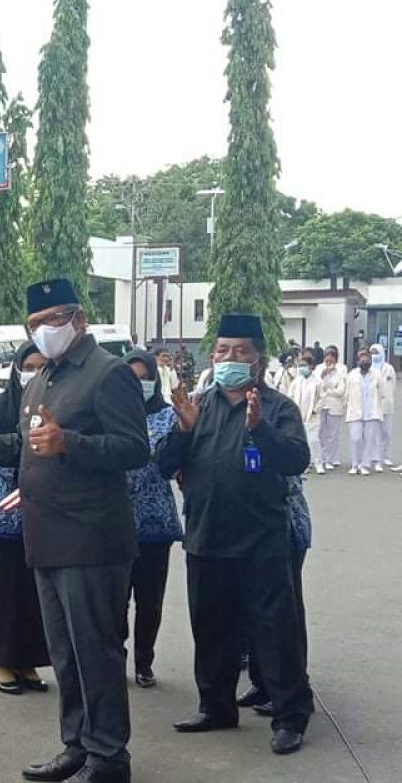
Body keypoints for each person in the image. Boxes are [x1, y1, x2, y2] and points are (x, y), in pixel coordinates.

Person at [0, 279, 148, 783]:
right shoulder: (41, 377)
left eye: (54, 319)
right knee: (66, 654)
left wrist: (68, 441)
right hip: (46, 536)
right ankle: (77, 744)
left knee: (95, 651)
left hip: (91, 539)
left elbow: (134, 448)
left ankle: (109, 756)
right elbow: (20, 446)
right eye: (35, 323)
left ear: (79, 319)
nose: (45, 330)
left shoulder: (107, 373)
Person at [159, 313, 313, 756]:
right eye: (223, 350)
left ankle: (289, 716)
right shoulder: (198, 405)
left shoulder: (277, 406)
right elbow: (163, 466)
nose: (230, 358)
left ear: (257, 359)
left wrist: (259, 428)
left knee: (274, 632)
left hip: (263, 541)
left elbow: (295, 460)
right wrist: (183, 431)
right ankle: (215, 706)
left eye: (241, 351)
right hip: (206, 537)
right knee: (210, 628)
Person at [0, 342, 51, 696]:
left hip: (42, 517)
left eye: (42, 366)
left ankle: (29, 660)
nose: (35, 373)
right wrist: (29, 469)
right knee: (2, 593)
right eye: (29, 366)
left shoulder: (52, 409)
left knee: (35, 595)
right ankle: (1, 661)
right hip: (1, 517)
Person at [122, 351, 183, 690]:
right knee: (116, 599)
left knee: (150, 600)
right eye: (130, 378)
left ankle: (144, 661)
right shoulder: (111, 414)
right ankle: (115, 658)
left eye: (144, 378)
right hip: (116, 521)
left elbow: (172, 460)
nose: (138, 384)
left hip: (156, 522)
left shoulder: (168, 416)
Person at [238, 475, 313, 718]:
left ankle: (297, 684)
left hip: (284, 527)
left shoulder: (275, 435)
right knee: (253, 611)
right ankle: (263, 683)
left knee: (285, 613)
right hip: (251, 530)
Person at [344, 349, 384, 475]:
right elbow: (346, 394)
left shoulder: (377, 374)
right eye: (362, 360)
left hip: (371, 412)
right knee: (356, 438)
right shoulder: (351, 375)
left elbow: (382, 392)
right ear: (358, 361)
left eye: (367, 360)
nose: (365, 362)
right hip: (355, 411)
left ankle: (365, 465)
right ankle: (355, 464)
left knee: (369, 440)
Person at [288, 352, 324, 475]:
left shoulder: (318, 381)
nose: (301, 367)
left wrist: (315, 409)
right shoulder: (296, 381)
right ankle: (307, 463)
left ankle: (318, 463)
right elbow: (290, 396)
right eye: (300, 365)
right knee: (303, 441)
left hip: (312, 415)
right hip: (299, 414)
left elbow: (322, 398)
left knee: (314, 440)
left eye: (304, 365)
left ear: (311, 366)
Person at [317, 346, 347, 470]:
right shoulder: (319, 368)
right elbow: (317, 386)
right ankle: (321, 457)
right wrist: (323, 374)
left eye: (332, 356)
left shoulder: (341, 369)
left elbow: (341, 390)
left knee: (333, 433)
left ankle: (330, 459)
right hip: (321, 405)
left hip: (335, 405)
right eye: (327, 356)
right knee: (321, 432)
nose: (329, 358)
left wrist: (328, 390)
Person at [369, 344, 396, 467]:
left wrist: (388, 398)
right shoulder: (368, 369)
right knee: (374, 433)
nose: (374, 355)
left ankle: (384, 456)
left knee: (387, 432)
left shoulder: (389, 368)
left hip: (387, 405)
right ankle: (375, 457)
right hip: (373, 405)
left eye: (376, 352)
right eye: (372, 353)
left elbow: (393, 386)